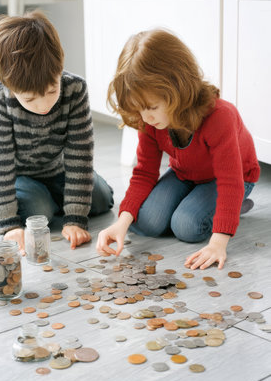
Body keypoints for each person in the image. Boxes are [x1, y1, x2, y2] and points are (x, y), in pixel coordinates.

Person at [96, 29, 260, 270]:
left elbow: (229, 180)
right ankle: (211, 205)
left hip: (232, 179)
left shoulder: (220, 116)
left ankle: (233, 206)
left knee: (186, 226)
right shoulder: (148, 119)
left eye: (151, 107)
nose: (146, 117)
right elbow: (144, 173)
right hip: (186, 173)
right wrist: (121, 222)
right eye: (138, 109)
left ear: (178, 89)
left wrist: (218, 241)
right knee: (146, 223)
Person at [0, 10, 113, 252]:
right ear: (8, 84)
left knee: (101, 198)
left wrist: (75, 218)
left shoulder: (75, 89)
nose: (43, 105)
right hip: (14, 173)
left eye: (51, 91)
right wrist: (8, 225)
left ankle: (55, 198)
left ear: (60, 69)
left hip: (54, 168)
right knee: (40, 210)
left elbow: (79, 155)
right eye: (29, 99)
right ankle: (38, 199)